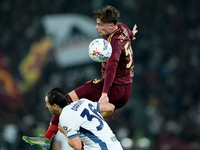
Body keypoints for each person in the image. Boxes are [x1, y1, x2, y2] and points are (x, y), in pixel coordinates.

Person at [22, 5, 138, 149]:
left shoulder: (114, 45)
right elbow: (129, 35)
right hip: (125, 88)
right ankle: (58, 134)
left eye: (100, 24)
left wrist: (105, 93)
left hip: (114, 86)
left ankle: (47, 137)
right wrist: (132, 34)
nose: (96, 27)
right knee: (79, 106)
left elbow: (111, 69)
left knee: (67, 101)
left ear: (110, 25)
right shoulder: (123, 28)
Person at [23, 86, 123, 150]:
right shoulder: (83, 102)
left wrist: (64, 132)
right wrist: (99, 117)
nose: (46, 106)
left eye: (47, 104)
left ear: (55, 106)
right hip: (116, 146)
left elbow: (77, 146)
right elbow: (111, 107)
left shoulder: (65, 117)